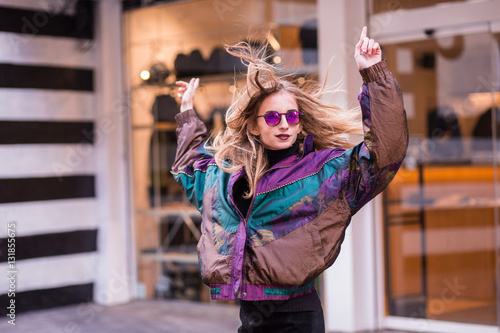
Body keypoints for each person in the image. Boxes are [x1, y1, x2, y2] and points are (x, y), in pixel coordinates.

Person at [172, 26, 408, 332]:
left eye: (291, 117)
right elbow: (188, 168)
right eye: (272, 117)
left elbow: (385, 155)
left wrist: (373, 74)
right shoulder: (225, 176)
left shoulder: (322, 172)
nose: (283, 124)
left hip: (297, 317)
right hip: (250, 317)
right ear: (254, 127)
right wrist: (187, 113)